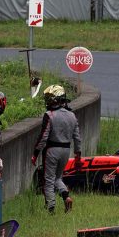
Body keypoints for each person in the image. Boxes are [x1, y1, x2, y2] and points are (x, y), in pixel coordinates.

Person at [32, 84, 82, 214]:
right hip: (66, 151)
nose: (47, 101)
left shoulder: (49, 115)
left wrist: (35, 153)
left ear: (55, 99)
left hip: (52, 150)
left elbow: (43, 136)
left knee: (48, 180)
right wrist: (78, 156)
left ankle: (50, 207)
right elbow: (77, 138)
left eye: (49, 98)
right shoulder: (72, 115)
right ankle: (66, 196)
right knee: (58, 178)